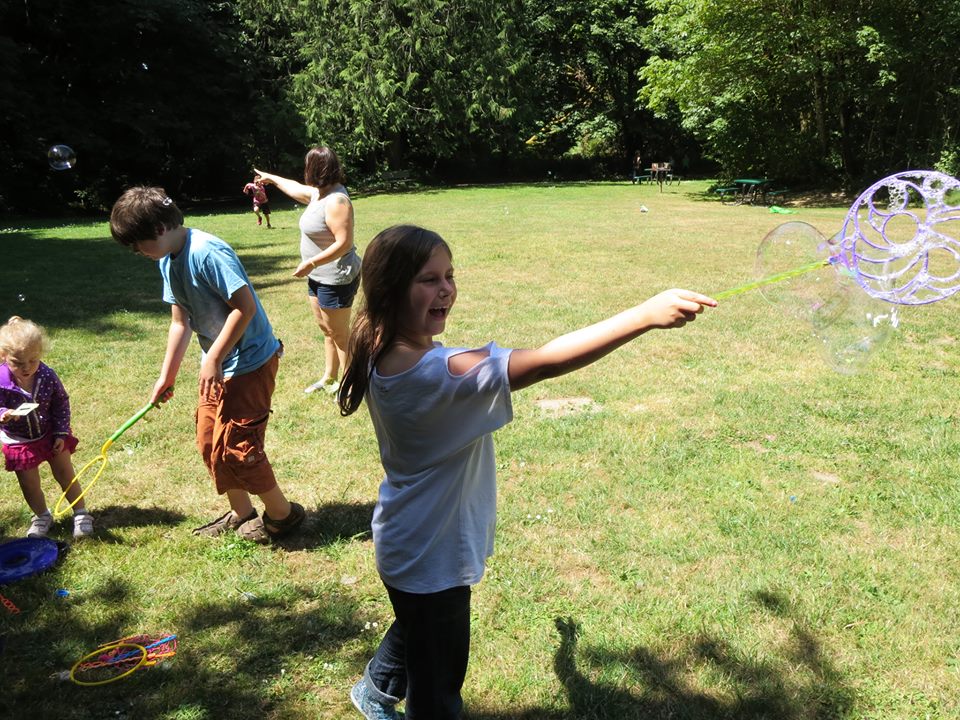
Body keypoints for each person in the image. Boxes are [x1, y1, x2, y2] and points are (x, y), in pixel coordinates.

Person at [337, 225, 717, 719]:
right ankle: (389, 693)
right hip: (431, 557)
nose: (446, 288)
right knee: (437, 691)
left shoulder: (382, 347)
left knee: (418, 625)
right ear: (391, 291)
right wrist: (644, 316)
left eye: (450, 275)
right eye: (428, 279)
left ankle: (375, 689)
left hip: (406, 542)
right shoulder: (439, 372)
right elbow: (544, 362)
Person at [109, 186, 304, 544]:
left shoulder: (207, 252)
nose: (137, 252)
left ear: (158, 229)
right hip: (217, 363)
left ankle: (283, 515)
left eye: (137, 244)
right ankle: (242, 513)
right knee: (208, 439)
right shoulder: (168, 259)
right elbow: (180, 322)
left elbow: (243, 308)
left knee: (240, 447)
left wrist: (213, 356)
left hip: (249, 361)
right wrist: (166, 376)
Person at [255, 147, 361, 395]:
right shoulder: (318, 194)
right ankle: (329, 377)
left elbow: (343, 242)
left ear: (315, 169)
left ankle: (350, 384)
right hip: (317, 277)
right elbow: (293, 187)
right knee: (327, 330)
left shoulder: (337, 201)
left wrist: (311, 263)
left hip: (336, 278)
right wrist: (271, 178)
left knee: (340, 335)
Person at [0, 316, 94, 539]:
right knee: (29, 483)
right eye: (18, 363)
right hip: (19, 440)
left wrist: (61, 432)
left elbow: (61, 402)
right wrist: (3, 414)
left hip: (50, 433)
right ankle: (42, 516)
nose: (27, 368)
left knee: (65, 473)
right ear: (4, 357)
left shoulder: (46, 375)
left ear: (40, 353)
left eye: (33, 360)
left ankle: (81, 513)